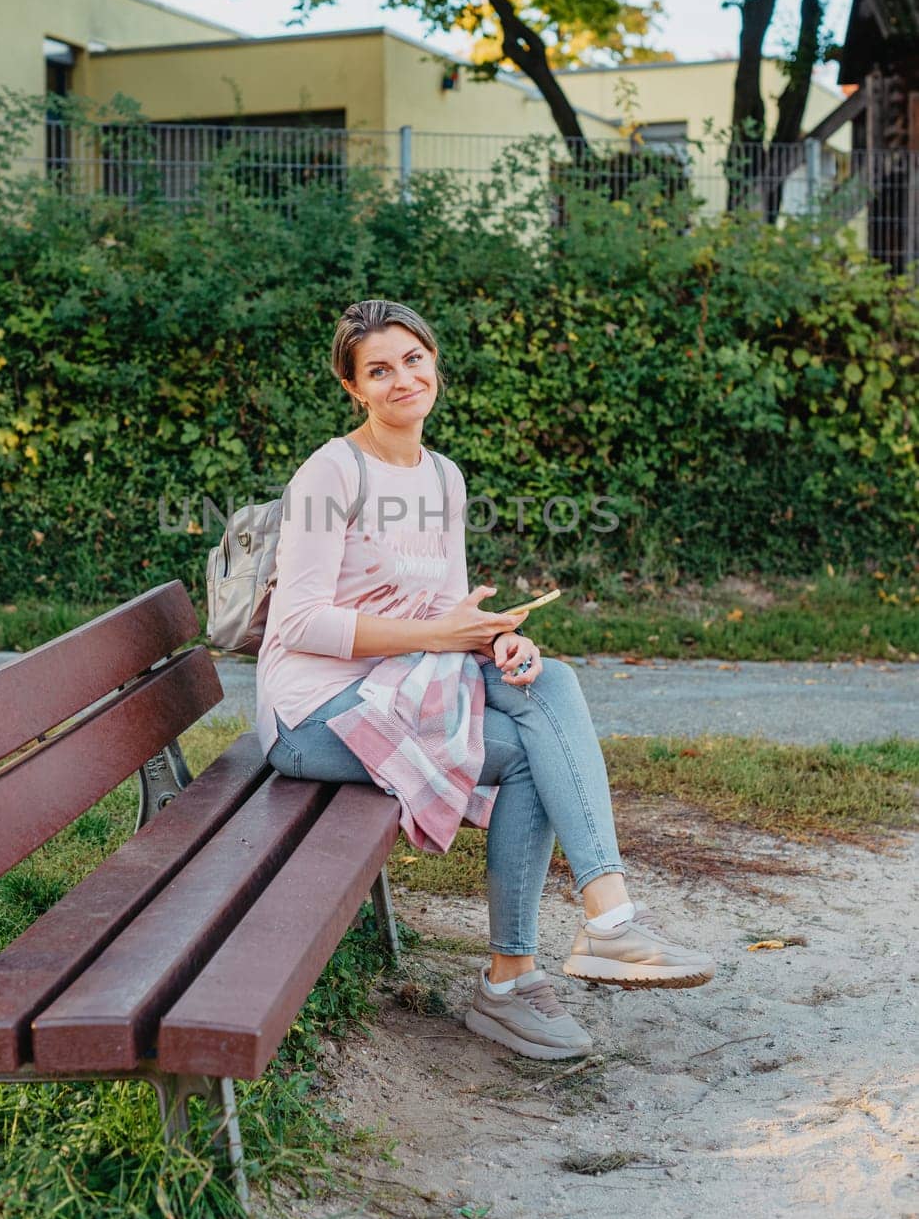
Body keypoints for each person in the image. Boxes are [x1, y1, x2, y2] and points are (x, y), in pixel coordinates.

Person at [256, 299, 715, 1061]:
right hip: (314, 713)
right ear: (354, 389)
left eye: (413, 359)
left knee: (548, 681)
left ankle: (585, 936)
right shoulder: (330, 472)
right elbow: (300, 623)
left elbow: (447, 607)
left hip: (406, 682)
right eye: (379, 370)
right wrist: (442, 635)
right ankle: (530, 970)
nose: (402, 378)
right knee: (533, 749)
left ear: (435, 363)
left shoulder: (443, 476)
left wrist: (499, 639)